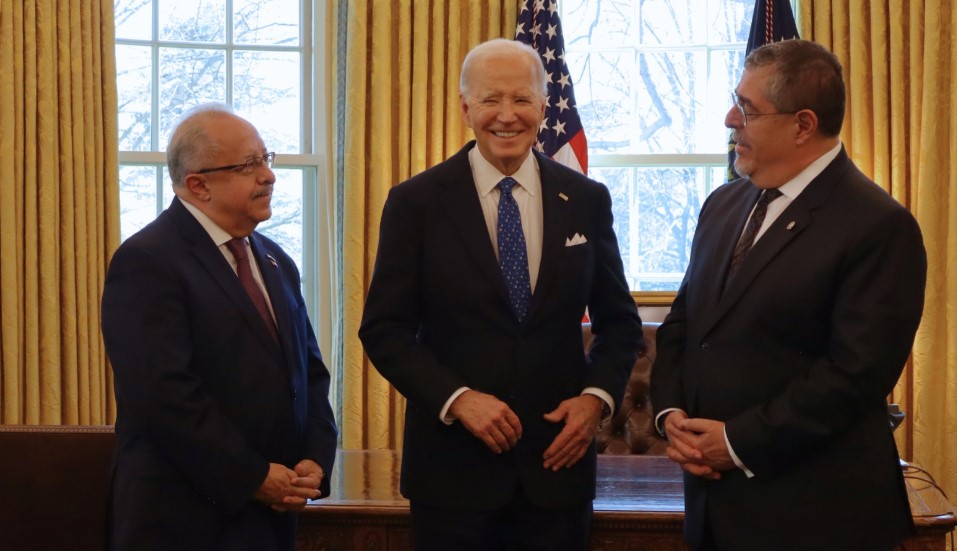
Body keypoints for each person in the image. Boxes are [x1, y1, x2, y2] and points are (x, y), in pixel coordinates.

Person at [358, 38, 643, 550]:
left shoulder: (585, 199)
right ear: (466, 108)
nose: (506, 116)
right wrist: (458, 399)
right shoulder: (415, 203)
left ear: (542, 106)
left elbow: (619, 322)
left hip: (559, 469)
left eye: (521, 99)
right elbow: (384, 330)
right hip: (452, 477)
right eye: (491, 100)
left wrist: (595, 400)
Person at [650, 39, 927, 551]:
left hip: (816, 516)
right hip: (713, 507)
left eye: (748, 109)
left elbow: (854, 375)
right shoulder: (723, 203)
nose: (730, 118)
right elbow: (686, 324)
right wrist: (673, 418)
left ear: (803, 125)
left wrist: (734, 444)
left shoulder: (878, 225)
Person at [101, 104, 338, 550]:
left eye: (266, 159)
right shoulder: (148, 261)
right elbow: (162, 395)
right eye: (249, 165)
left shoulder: (273, 259)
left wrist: (314, 457)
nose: (268, 175)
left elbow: (309, 372)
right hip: (182, 519)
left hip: (270, 516)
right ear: (198, 185)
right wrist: (251, 476)